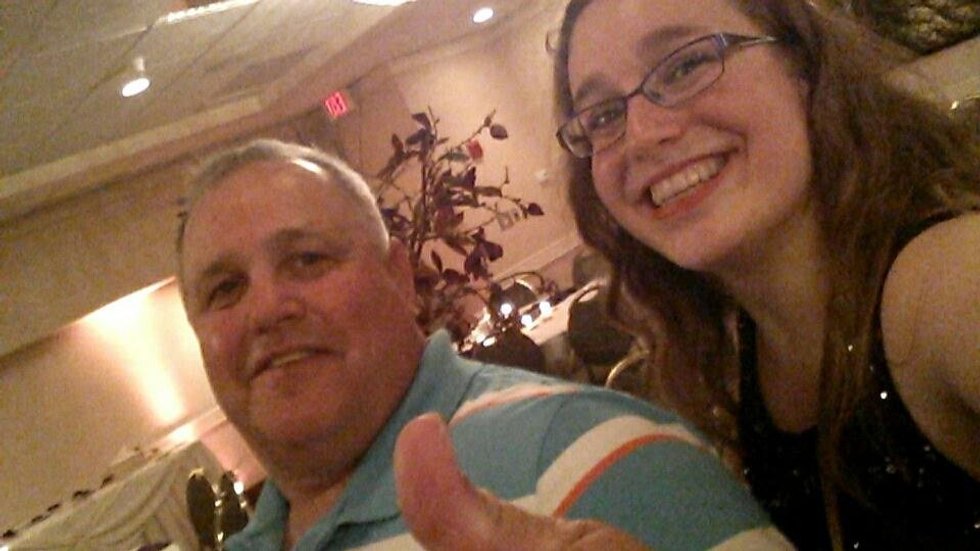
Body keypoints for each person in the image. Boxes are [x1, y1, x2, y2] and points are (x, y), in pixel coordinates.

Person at [393, 0, 980, 550]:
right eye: (604, 115)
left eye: (685, 66)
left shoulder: (944, 287)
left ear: (802, 65)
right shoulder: (730, 353)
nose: (643, 135)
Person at [175, 138, 793, 550]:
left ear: (400, 279)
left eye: (307, 260)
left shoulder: (592, 457)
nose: (266, 310)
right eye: (225, 289)